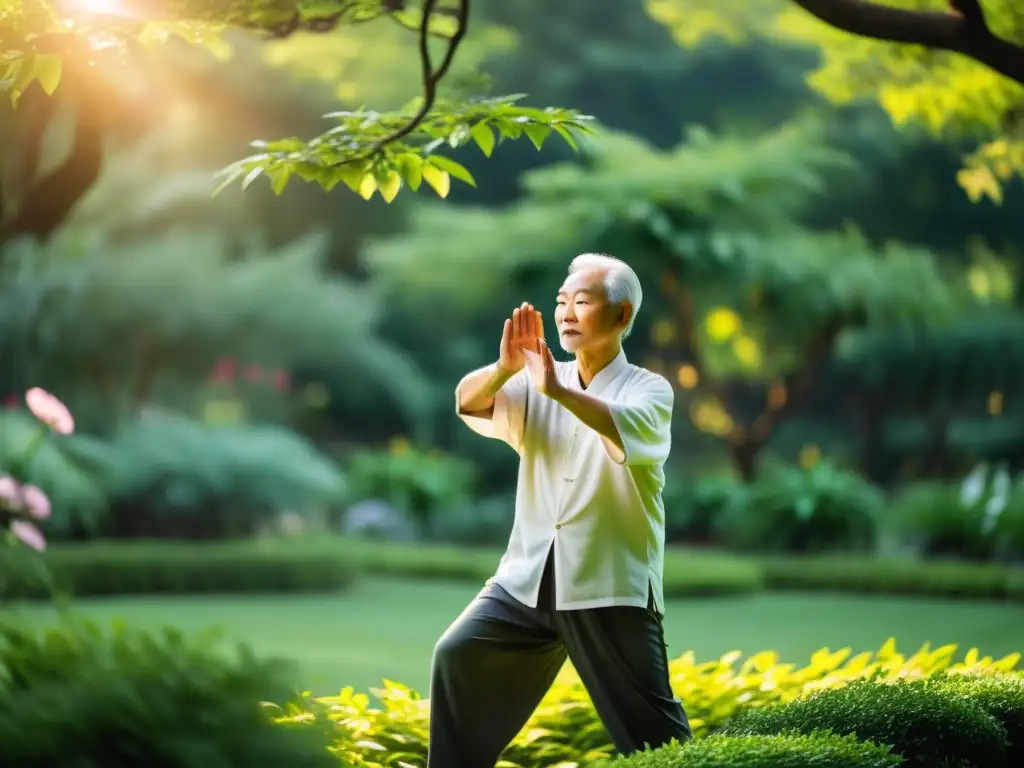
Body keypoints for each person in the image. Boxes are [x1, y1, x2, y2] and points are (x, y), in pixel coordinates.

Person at [427, 253, 692, 767]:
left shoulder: (649, 389)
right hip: (525, 579)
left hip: (608, 584)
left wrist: (557, 392)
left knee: (652, 735)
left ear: (622, 316)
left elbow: (623, 430)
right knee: (457, 656)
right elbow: (468, 401)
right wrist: (506, 368)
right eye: (562, 302)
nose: (568, 312)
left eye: (583, 302)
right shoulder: (536, 377)